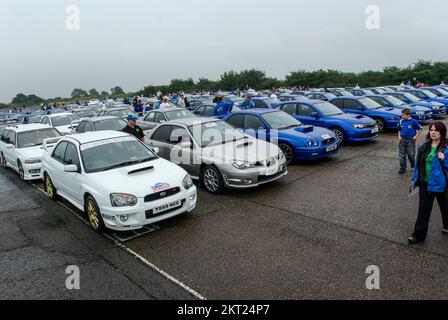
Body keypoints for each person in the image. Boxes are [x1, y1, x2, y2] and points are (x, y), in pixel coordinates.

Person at [408, 121, 448, 244]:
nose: (433, 132)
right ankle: (418, 235)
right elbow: (419, 165)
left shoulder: (446, 148)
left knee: (445, 207)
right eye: (431, 130)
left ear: (442, 132)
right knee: (423, 209)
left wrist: (444, 159)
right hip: (426, 184)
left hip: (442, 184)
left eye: (436, 130)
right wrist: (414, 179)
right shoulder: (424, 146)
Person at [398, 108, 422, 174]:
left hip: (410, 140)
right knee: (402, 156)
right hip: (402, 140)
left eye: (403, 115)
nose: (402, 116)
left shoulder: (413, 121)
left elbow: (420, 128)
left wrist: (416, 136)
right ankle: (402, 169)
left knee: (411, 155)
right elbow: (399, 129)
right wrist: (399, 136)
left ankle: (413, 166)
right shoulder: (401, 121)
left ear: (408, 115)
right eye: (402, 115)